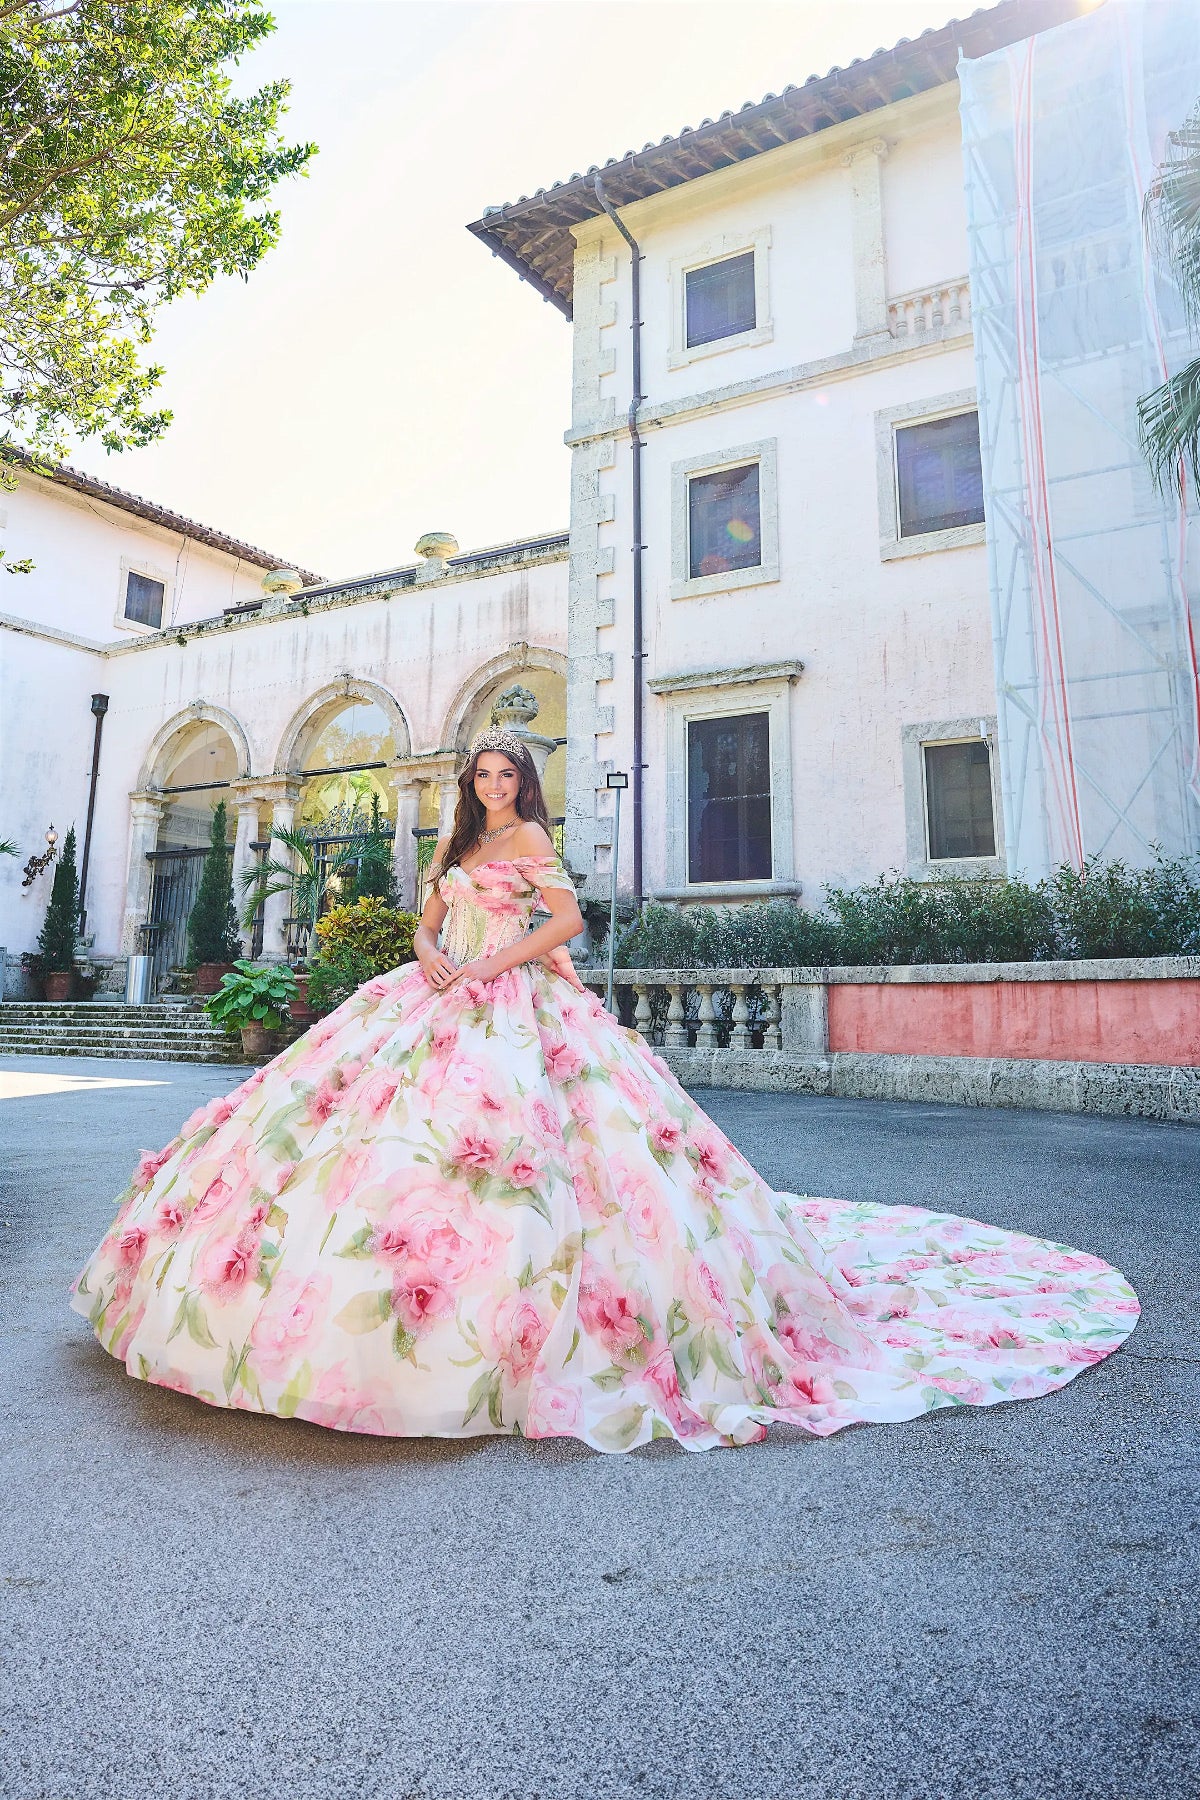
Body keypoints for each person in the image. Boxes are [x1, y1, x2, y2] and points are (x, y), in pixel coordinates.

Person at [71, 728, 1139, 1452]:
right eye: (482, 774)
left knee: (531, 1153)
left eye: (505, 775)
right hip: (431, 992)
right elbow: (428, 913)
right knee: (359, 1145)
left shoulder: (532, 838)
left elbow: (566, 925)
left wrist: (488, 966)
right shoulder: (455, 839)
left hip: (511, 1001)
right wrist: (429, 948)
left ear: (522, 783)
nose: (493, 787)